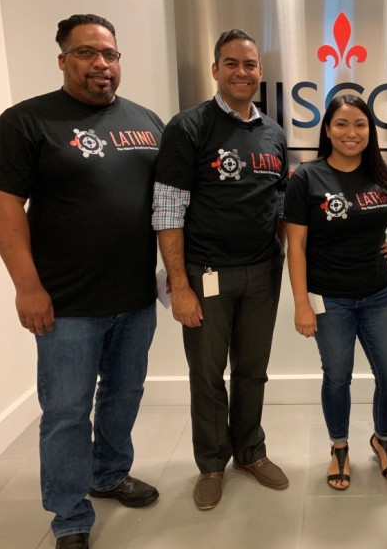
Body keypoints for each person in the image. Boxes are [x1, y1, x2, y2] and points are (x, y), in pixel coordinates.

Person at [0, 14, 163, 549]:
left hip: (135, 297)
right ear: (62, 60)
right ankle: (69, 515)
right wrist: (27, 287)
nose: (100, 63)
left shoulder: (147, 121)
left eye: (110, 54)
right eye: (86, 53)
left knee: (124, 395)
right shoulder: (25, 122)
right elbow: (4, 209)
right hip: (65, 304)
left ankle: (109, 473)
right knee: (65, 413)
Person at [152, 29, 289, 511]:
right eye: (231, 63)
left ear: (260, 72)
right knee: (208, 375)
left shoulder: (274, 133)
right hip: (206, 273)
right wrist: (180, 286)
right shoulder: (188, 127)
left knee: (252, 370)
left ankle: (250, 452)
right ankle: (212, 463)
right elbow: (168, 210)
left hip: (263, 274)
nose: (241, 72)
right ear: (215, 70)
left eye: (249, 64)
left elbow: (279, 204)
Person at [284, 94, 387, 491]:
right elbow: (296, 245)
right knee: (337, 378)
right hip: (329, 299)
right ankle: (339, 447)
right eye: (342, 124)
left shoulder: (384, 175)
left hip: (378, 295)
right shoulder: (307, 178)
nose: (352, 132)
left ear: (370, 131)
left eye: (360, 124)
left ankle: (382, 439)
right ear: (327, 130)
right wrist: (301, 304)